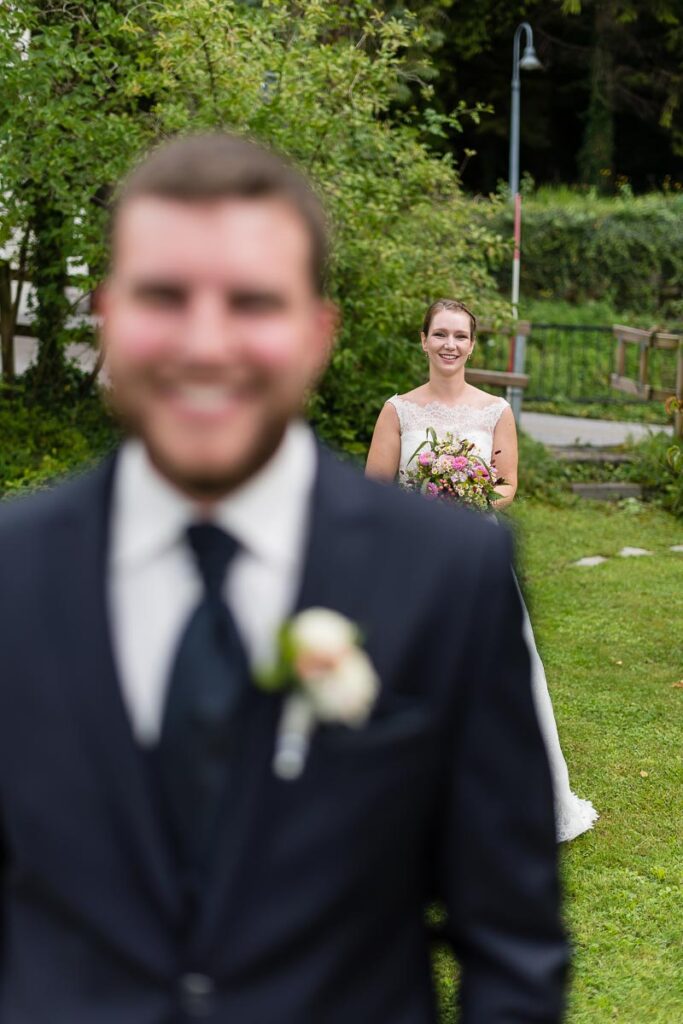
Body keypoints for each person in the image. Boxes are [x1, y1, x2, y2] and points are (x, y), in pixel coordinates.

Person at [0, 136, 568, 1022]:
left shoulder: (450, 575)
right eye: (163, 296)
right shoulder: (12, 572)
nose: (206, 341)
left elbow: (512, 944)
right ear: (108, 317)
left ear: (315, 335)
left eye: (253, 302)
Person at [366, 297, 599, 842]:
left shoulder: (494, 410)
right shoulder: (398, 410)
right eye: (440, 334)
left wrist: (466, 497)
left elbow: (506, 485)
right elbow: (375, 489)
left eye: (460, 336)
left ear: (473, 345)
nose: (450, 345)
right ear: (423, 340)